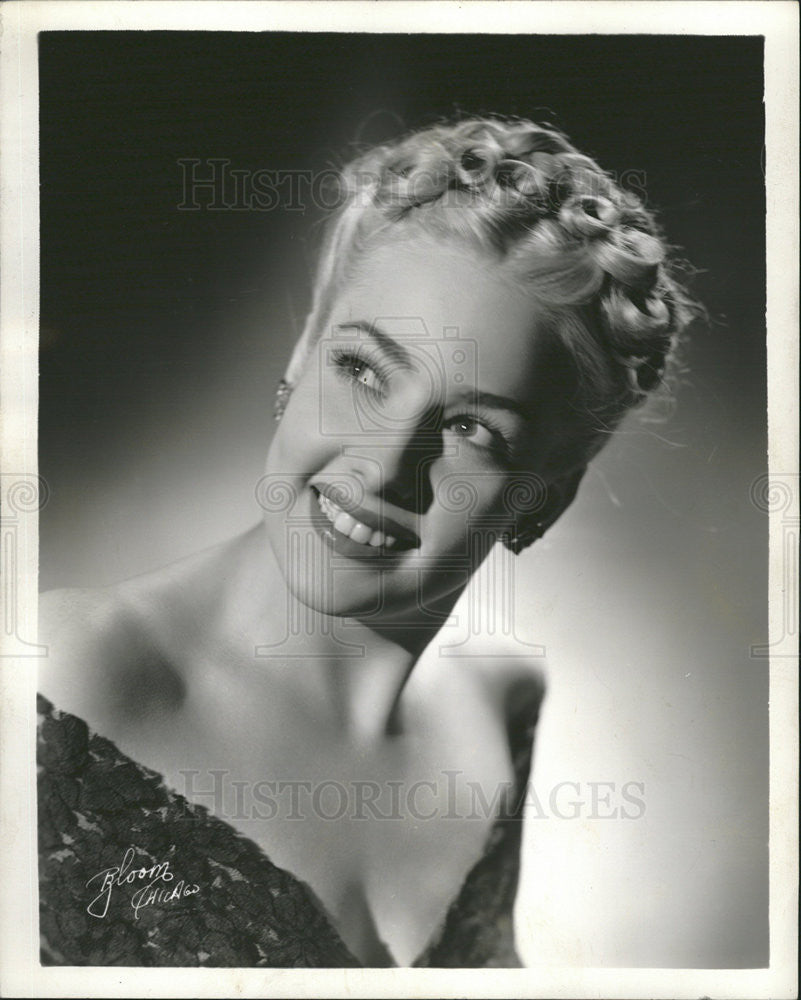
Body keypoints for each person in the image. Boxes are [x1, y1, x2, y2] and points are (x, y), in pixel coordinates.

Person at [37, 115, 693, 968]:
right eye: (362, 371)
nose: (383, 468)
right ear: (304, 349)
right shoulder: (68, 682)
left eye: (471, 430)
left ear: (546, 497)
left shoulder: (498, 713)